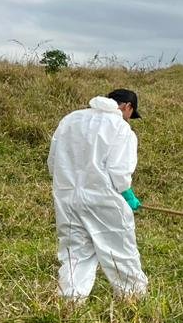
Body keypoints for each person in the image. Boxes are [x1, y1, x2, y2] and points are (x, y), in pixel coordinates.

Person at [47, 89, 148, 301]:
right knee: (119, 251)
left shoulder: (71, 119)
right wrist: (127, 194)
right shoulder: (121, 128)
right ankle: (133, 300)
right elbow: (119, 171)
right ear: (128, 107)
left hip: (67, 198)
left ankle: (70, 303)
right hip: (104, 200)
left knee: (75, 252)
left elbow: (53, 161)